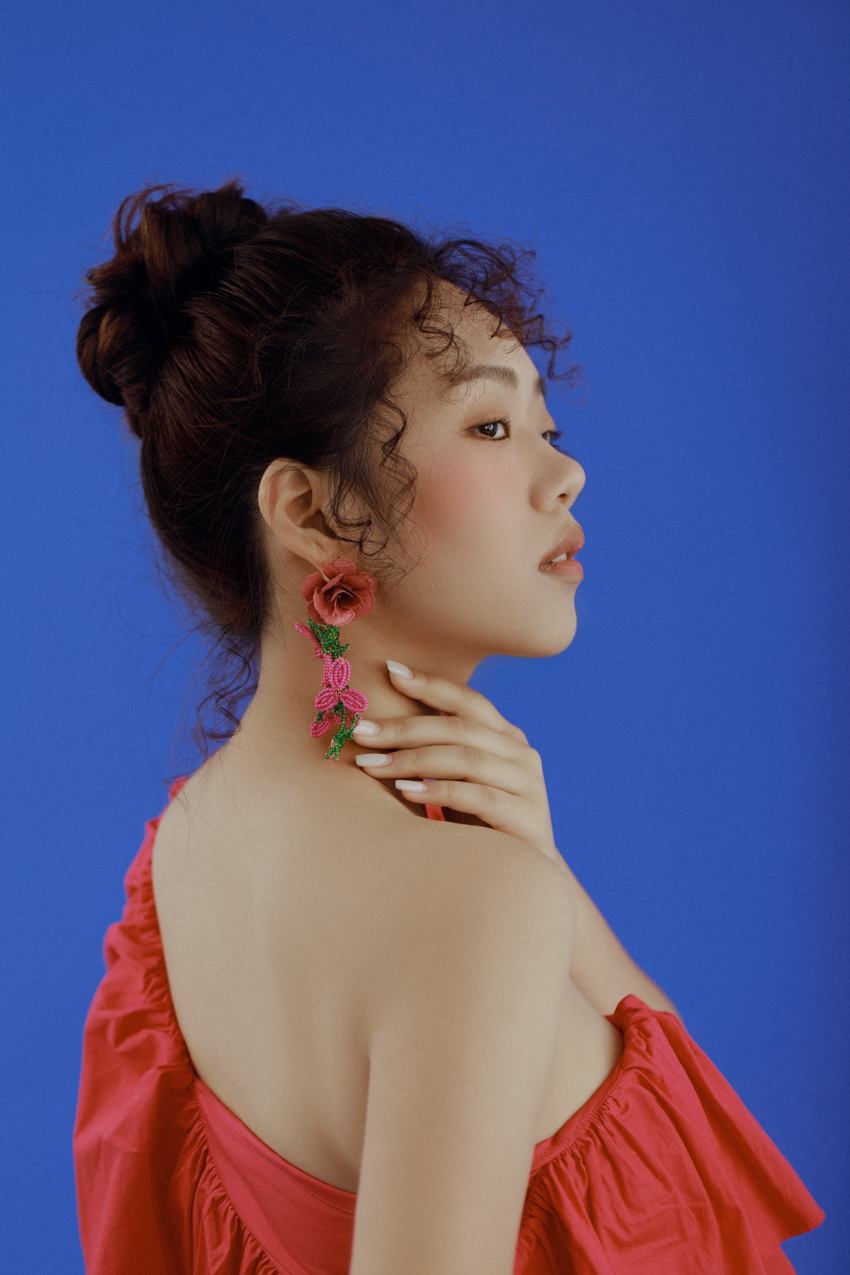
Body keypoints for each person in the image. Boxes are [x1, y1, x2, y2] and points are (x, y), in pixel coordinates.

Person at [73, 180, 823, 1275]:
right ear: (312, 511)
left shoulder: (183, 848)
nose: (566, 472)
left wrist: (546, 878)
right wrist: (520, 889)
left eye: (545, 426)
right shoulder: (474, 904)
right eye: (490, 425)